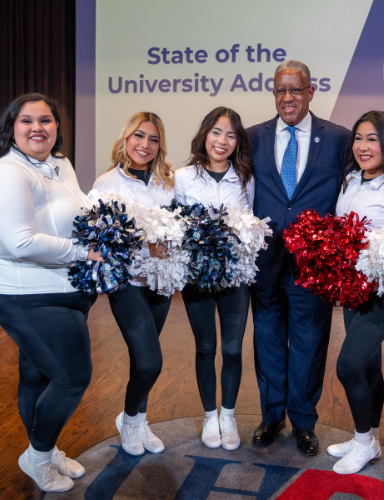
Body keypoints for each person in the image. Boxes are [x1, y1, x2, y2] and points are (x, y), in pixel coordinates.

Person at [247, 60, 350, 456]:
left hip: (313, 266)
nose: (287, 97)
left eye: (295, 89)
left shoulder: (339, 138)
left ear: (310, 91)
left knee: (309, 344)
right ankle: (272, 417)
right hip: (266, 262)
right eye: (279, 90)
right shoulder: (252, 137)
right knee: (268, 341)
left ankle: (304, 422)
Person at [0, 93, 103, 492]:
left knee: (36, 375)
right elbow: (20, 242)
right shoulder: (10, 171)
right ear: (12, 127)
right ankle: (38, 456)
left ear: (58, 126)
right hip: (29, 294)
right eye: (27, 121)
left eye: (46, 120)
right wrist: (84, 253)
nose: (37, 128)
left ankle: (44, 447)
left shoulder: (60, 165)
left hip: (66, 288)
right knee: (72, 378)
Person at [329, 111, 384, 473]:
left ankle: (363, 442)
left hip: (382, 292)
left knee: (348, 366)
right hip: (351, 287)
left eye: (372, 139)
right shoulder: (349, 181)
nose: (362, 146)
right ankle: (371, 437)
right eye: (358, 138)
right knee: (369, 365)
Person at [92, 112, 175, 456]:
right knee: (150, 362)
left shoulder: (166, 182)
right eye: (139, 136)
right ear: (126, 138)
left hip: (161, 280)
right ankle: (128, 421)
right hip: (126, 282)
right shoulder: (106, 183)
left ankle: (140, 418)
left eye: (153, 139)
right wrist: (140, 241)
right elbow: (96, 238)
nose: (145, 145)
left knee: (142, 358)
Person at [174, 107, 254, 451]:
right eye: (217, 132)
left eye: (231, 135)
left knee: (233, 349)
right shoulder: (182, 177)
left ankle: (228, 415)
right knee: (205, 348)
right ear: (204, 134)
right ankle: (210, 415)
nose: (222, 141)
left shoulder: (247, 178)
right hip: (197, 278)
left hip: (236, 277)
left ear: (238, 142)